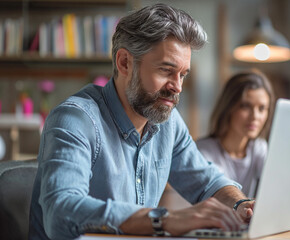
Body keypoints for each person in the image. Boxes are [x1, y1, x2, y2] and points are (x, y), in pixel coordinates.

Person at [28, 4, 254, 240]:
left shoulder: (168, 122)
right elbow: (61, 213)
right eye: (166, 70)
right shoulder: (75, 120)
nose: (177, 86)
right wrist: (163, 220)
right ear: (125, 62)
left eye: (183, 75)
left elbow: (207, 182)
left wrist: (243, 205)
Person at [197, 70, 275, 197]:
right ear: (229, 107)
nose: (255, 116)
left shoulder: (259, 148)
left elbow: (275, 187)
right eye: (245, 106)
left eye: (262, 108)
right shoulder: (204, 151)